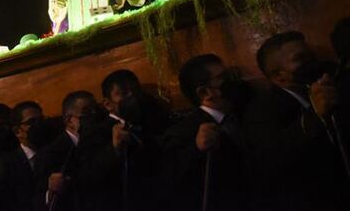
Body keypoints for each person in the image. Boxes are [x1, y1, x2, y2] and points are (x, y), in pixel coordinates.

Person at [243, 31, 346, 210]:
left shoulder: (323, 86)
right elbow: (274, 160)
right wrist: (315, 115)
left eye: (311, 56)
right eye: (300, 59)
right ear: (279, 76)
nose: (312, 63)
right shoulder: (261, 111)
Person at [160, 54, 249, 211]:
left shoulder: (244, 112)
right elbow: (171, 179)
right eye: (224, 77)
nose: (233, 81)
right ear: (204, 92)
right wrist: (196, 148)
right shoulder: (182, 131)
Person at [77, 70, 169, 211]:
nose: (132, 97)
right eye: (124, 93)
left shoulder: (151, 120)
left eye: (135, 91)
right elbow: (88, 175)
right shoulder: (95, 132)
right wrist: (114, 148)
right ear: (108, 104)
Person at [34, 90, 98, 211]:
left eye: (95, 110)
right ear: (69, 120)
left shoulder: (99, 142)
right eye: (87, 112)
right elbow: (38, 198)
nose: (93, 115)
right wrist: (51, 191)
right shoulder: (50, 153)